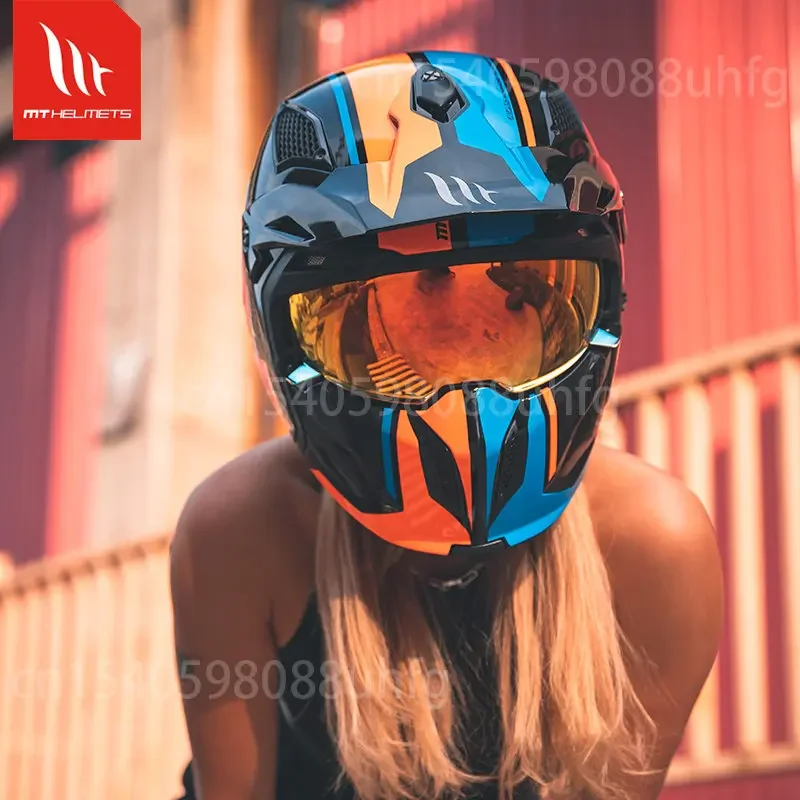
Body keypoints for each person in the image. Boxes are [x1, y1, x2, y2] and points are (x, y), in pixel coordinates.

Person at [170, 51, 723, 800]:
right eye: (421, 282)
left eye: (517, 283)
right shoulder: (243, 530)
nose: (468, 332)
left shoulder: (656, 544)